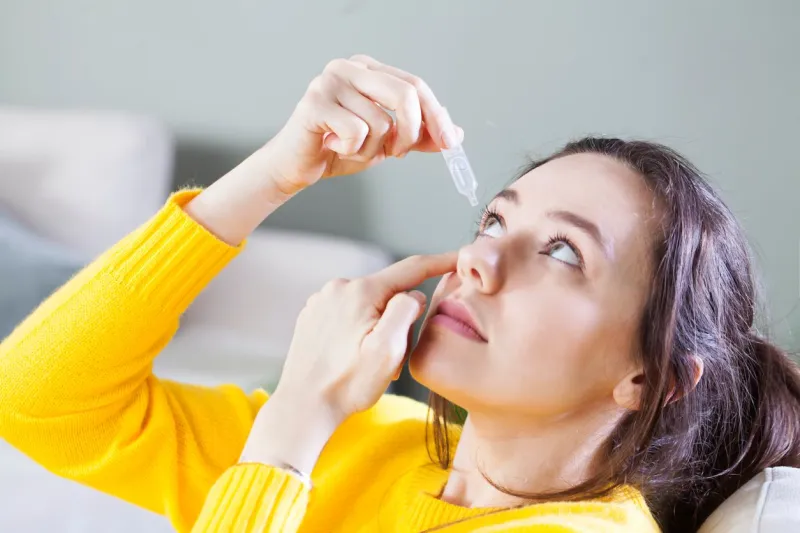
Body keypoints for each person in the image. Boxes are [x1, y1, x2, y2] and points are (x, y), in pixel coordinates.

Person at [1, 55, 798, 533]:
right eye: (494, 219)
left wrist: (290, 429)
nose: (480, 258)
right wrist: (277, 170)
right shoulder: (376, 439)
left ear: (649, 380)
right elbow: (37, 398)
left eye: (562, 250)